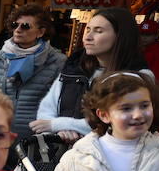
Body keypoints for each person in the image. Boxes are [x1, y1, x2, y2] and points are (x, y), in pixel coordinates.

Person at [32, 7, 150, 142]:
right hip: (64, 154)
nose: (88, 37)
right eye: (88, 29)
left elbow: (115, 123)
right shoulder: (74, 67)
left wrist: (59, 124)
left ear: (120, 36)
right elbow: (46, 109)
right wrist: (61, 129)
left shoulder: (137, 76)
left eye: (98, 31)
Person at [0, 4, 66, 141]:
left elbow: (60, 104)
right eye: (15, 25)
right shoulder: (1, 56)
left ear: (40, 32)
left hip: (35, 139)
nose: (18, 30)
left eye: (25, 26)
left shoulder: (57, 61)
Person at [139, 17, 159, 84]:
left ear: (156, 35)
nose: (144, 37)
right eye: (142, 34)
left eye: (148, 35)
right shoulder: (141, 49)